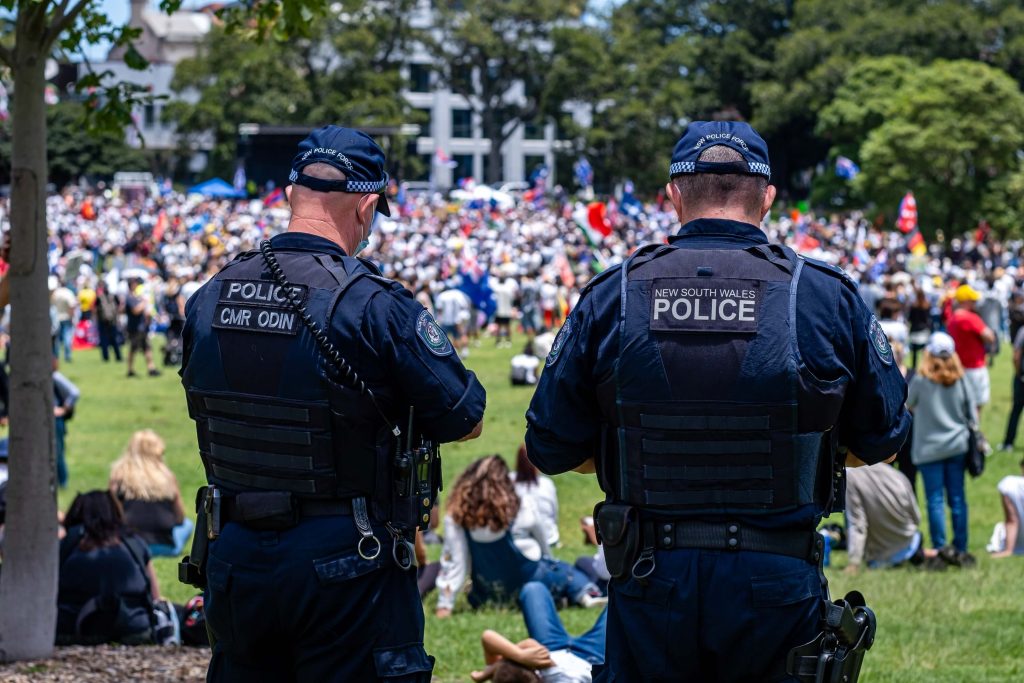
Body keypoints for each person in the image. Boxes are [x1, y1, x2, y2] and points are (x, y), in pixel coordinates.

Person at [526, 121, 911, 682]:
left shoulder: (615, 295)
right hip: (774, 576)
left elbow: (551, 445)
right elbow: (884, 437)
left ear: (674, 194)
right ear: (769, 197)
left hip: (653, 572)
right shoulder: (826, 296)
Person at [179, 125, 485, 682]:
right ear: (367, 207)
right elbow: (466, 416)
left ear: (292, 193)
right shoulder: (373, 305)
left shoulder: (209, 296)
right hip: (345, 559)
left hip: (234, 553)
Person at [434, 455, 602, 618]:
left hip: (488, 592)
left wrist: (445, 605)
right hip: (530, 583)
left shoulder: (459, 517)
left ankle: (561, 599)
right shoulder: (519, 506)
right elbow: (543, 544)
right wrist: (550, 563)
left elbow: (456, 564)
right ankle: (586, 594)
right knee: (565, 571)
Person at [905, 332, 976, 567]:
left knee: (934, 500)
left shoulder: (921, 380)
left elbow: (908, 405)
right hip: (956, 445)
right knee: (957, 498)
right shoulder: (962, 378)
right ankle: (961, 546)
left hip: (928, 448)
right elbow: (972, 415)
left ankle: (940, 548)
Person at [57, 490, 161, 645]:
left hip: (73, 628)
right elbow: (155, 596)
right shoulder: (133, 543)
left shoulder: (67, 544)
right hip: (133, 627)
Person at [470, 582, 606, 683]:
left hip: (552, 646)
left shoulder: (514, 677)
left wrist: (520, 656)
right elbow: (529, 644)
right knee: (621, 603)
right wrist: (489, 671)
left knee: (533, 589)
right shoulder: (558, 676)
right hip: (591, 655)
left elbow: (488, 637)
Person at [109, 429, 194, 557]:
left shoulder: (118, 476)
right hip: (165, 546)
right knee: (188, 524)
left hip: (129, 544)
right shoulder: (167, 477)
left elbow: (114, 514)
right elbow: (180, 518)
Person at [844, 463, 925, 572]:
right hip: (911, 542)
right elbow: (917, 518)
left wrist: (854, 563)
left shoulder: (851, 477)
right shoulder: (895, 474)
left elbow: (858, 524)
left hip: (882, 557)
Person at [946, 284, 995, 419]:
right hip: (975, 367)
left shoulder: (952, 318)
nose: (975, 302)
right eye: (972, 300)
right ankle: (973, 434)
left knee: (962, 405)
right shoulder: (970, 317)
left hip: (959, 366)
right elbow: (989, 337)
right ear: (965, 301)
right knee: (977, 404)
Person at [512, 444, 560, 547]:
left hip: (520, 538)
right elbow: (554, 513)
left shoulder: (509, 482)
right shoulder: (546, 484)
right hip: (549, 538)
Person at [987, 458, 1024, 557]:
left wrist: (1008, 550)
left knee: (1000, 528)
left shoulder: (1009, 484)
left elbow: (1012, 520)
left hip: (1018, 542)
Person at [53, 360, 80, 488]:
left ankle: (62, 482)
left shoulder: (53, 376)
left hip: (55, 420)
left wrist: (63, 409)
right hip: (45, 420)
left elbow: (74, 392)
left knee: (57, 451)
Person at [125, 277, 159, 377]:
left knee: (147, 348)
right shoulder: (130, 297)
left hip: (142, 327)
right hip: (135, 328)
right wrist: (145, 302)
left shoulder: (137, 296)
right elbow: (135, 310)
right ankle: (130, 370)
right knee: (133, 349)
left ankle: (151, 369)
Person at [1000, 323, 1024, 451]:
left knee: (1016, 410)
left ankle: (1008, 443)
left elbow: (1016, 356)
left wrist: (1018, 373)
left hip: (1021, 378)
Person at [95, 279, 123, 362]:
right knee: (114, 339)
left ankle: (105, 357)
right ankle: (118, 356)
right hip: (112, 320)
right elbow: (119, 306)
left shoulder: (99, 297)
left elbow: (95, 308)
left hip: (102, 320)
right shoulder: (113, 296)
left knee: (104, 339)